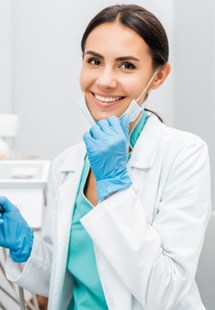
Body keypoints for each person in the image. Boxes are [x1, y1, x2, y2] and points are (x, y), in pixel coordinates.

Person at [0, 4, 211, 310]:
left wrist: (115, 188)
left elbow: (166, 294)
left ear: (158, 76)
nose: (105, 80)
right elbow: (62, 283)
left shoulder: (184, 154)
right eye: (95, 61)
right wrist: (26, 248)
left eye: (126, 65)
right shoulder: (67, 165)